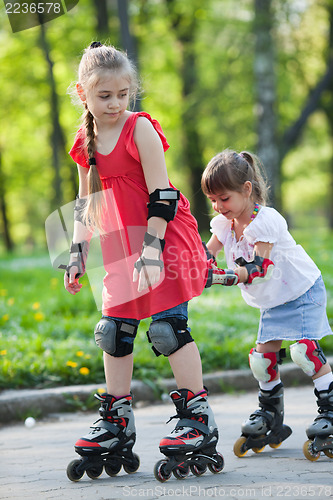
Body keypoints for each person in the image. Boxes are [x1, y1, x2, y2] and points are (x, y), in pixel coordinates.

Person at [64, 42, 223, 482]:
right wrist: (77, 253)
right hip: (119, 242)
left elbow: (163, 195)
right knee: (114, 332)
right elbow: (85, 202)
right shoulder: (86, 142)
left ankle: (197, 416)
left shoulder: (141, 129)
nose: (115, 104)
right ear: (83, 93)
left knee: (168, 328)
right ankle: (116, 421)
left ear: (131, 91)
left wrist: (151, 250)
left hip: (163, 237)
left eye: (123, 94)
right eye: (104, 96)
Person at [201, 148, 333, 460]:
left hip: (301, 291)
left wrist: (223, 277)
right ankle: (270, 415)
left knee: (304, 353)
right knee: (262, 361)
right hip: (273, 301)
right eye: (213, 201)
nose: (219, 207)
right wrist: (191, 268)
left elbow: (260, 269)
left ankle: (329, 411)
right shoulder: (223, 224)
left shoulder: (266, 221)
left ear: (246, 190)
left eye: (225, 198)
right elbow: (206, 255)